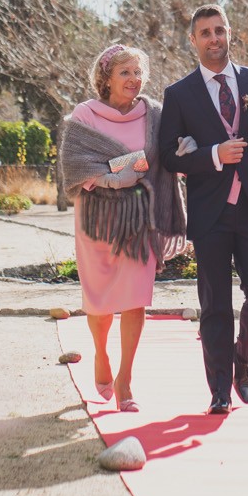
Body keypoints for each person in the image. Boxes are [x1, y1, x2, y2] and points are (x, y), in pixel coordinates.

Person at [156, 3, 248, 414]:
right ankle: (219, 390)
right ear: (193, 41)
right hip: (210, 213)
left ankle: (243, 358)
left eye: (219, 30)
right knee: (215, 304)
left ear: (229, 33)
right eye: (205, 32)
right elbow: (170, 156)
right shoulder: (179, 95)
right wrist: (214, 155)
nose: (214, 38)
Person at [56, 44, 185, 412]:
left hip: (140, 220)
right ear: (107, 77)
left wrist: (184, 151)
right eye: (125, 72)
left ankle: (125, 379)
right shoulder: (86, 114)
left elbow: (161, 158)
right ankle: (100, 354)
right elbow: (75, 163)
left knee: (135, 298)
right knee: (98, 300)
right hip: (96, 220)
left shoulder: (155, 114)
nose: (133, 79)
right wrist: (115, 177)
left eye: (138, 72)